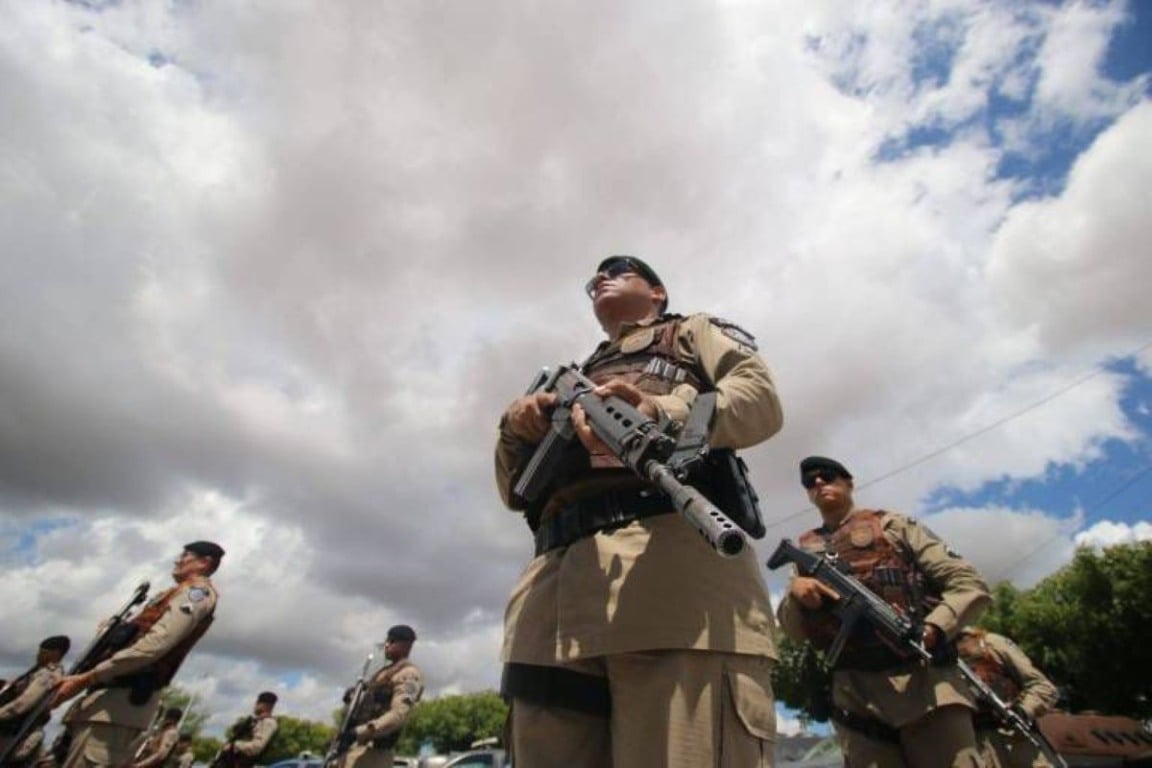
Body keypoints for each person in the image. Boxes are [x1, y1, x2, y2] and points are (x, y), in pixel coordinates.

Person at [496, 255, 784, 767]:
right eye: (594, 279)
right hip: (551, 589)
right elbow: (514, 491)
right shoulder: (572, 376)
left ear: (658, 291)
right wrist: (516, 427)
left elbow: (759, 400)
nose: (602, 278)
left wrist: (660, 411)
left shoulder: (691, 333)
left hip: (669, 570)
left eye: (621, 269)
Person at [777, 456, 992, 767]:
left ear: (849, 482)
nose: (819, 483)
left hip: (923, 683)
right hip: (856, 697)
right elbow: (793, 631)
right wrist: (797, 595)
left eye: (827, 476)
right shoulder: (805, 553)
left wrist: (934, 629)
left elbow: (970, 585)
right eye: (810, 482)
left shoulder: (894, 526)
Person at [53, 541, 224, 768]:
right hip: (108, 699)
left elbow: (154, 645)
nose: (178, 559)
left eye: (186, 555)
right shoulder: (176, 592)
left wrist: (88, 677)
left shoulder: (197, 594)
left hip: (121, 703)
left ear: (204, 562)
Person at [957, 627, 1060, 768]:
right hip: (970, 750)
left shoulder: (988, 644)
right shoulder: (925, 655)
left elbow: (1043, 687)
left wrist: (1022, 710)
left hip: (1013, 743)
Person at [342, 625, 423, 768]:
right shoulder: (382, 674)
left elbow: (398, 715)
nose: (386, 645)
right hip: (354, 751)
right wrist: (352, 698)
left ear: (404, 645)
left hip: (374, 754)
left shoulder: (408, 674)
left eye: (390, 641)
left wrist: (359, 732)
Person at [0, 635, 71, 766]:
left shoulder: (47, 674)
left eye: (43, 652)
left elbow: (22, 704)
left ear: (55, 653)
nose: (38, 656)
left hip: (16, 735)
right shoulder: (38, 672)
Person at [213, 692, 278, 768]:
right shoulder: (258, 722)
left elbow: (257, 747)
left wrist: (234, 746)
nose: (254, 706)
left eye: (257, 703)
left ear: (263, 705)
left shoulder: (268, 723)